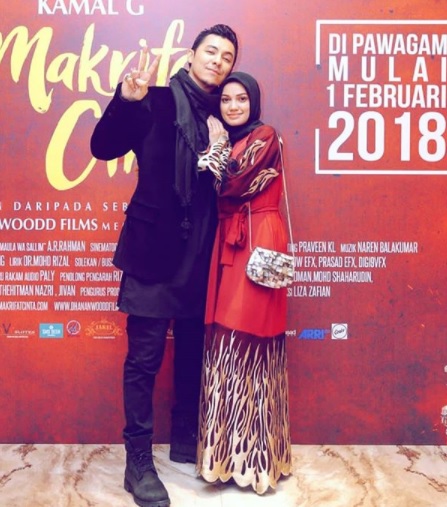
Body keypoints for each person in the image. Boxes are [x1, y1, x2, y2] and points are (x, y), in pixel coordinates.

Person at [90, 24, 238, 507]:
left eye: (227, 57)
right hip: (153, 250)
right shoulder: (153, 100)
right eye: (211, 51)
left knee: (192, 352)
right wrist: (125, 101)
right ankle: (137, 462)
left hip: (201, 252)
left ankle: (185, 441)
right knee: (145, 359)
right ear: (191, 56)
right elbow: (102, 146)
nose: (218, 60)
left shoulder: (224, 114)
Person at [195, 72, 292, 494]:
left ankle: (255, 461)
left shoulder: (265, 136)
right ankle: (224, 456)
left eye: (241, 99)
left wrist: (214, 148)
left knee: (249, 338)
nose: (233, 106)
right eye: (226, 100)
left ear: (254, 102)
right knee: (224, 339)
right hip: (228, 239)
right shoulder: (232, 141)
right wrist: (216, 151)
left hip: (257, 239)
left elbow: (230, 182)